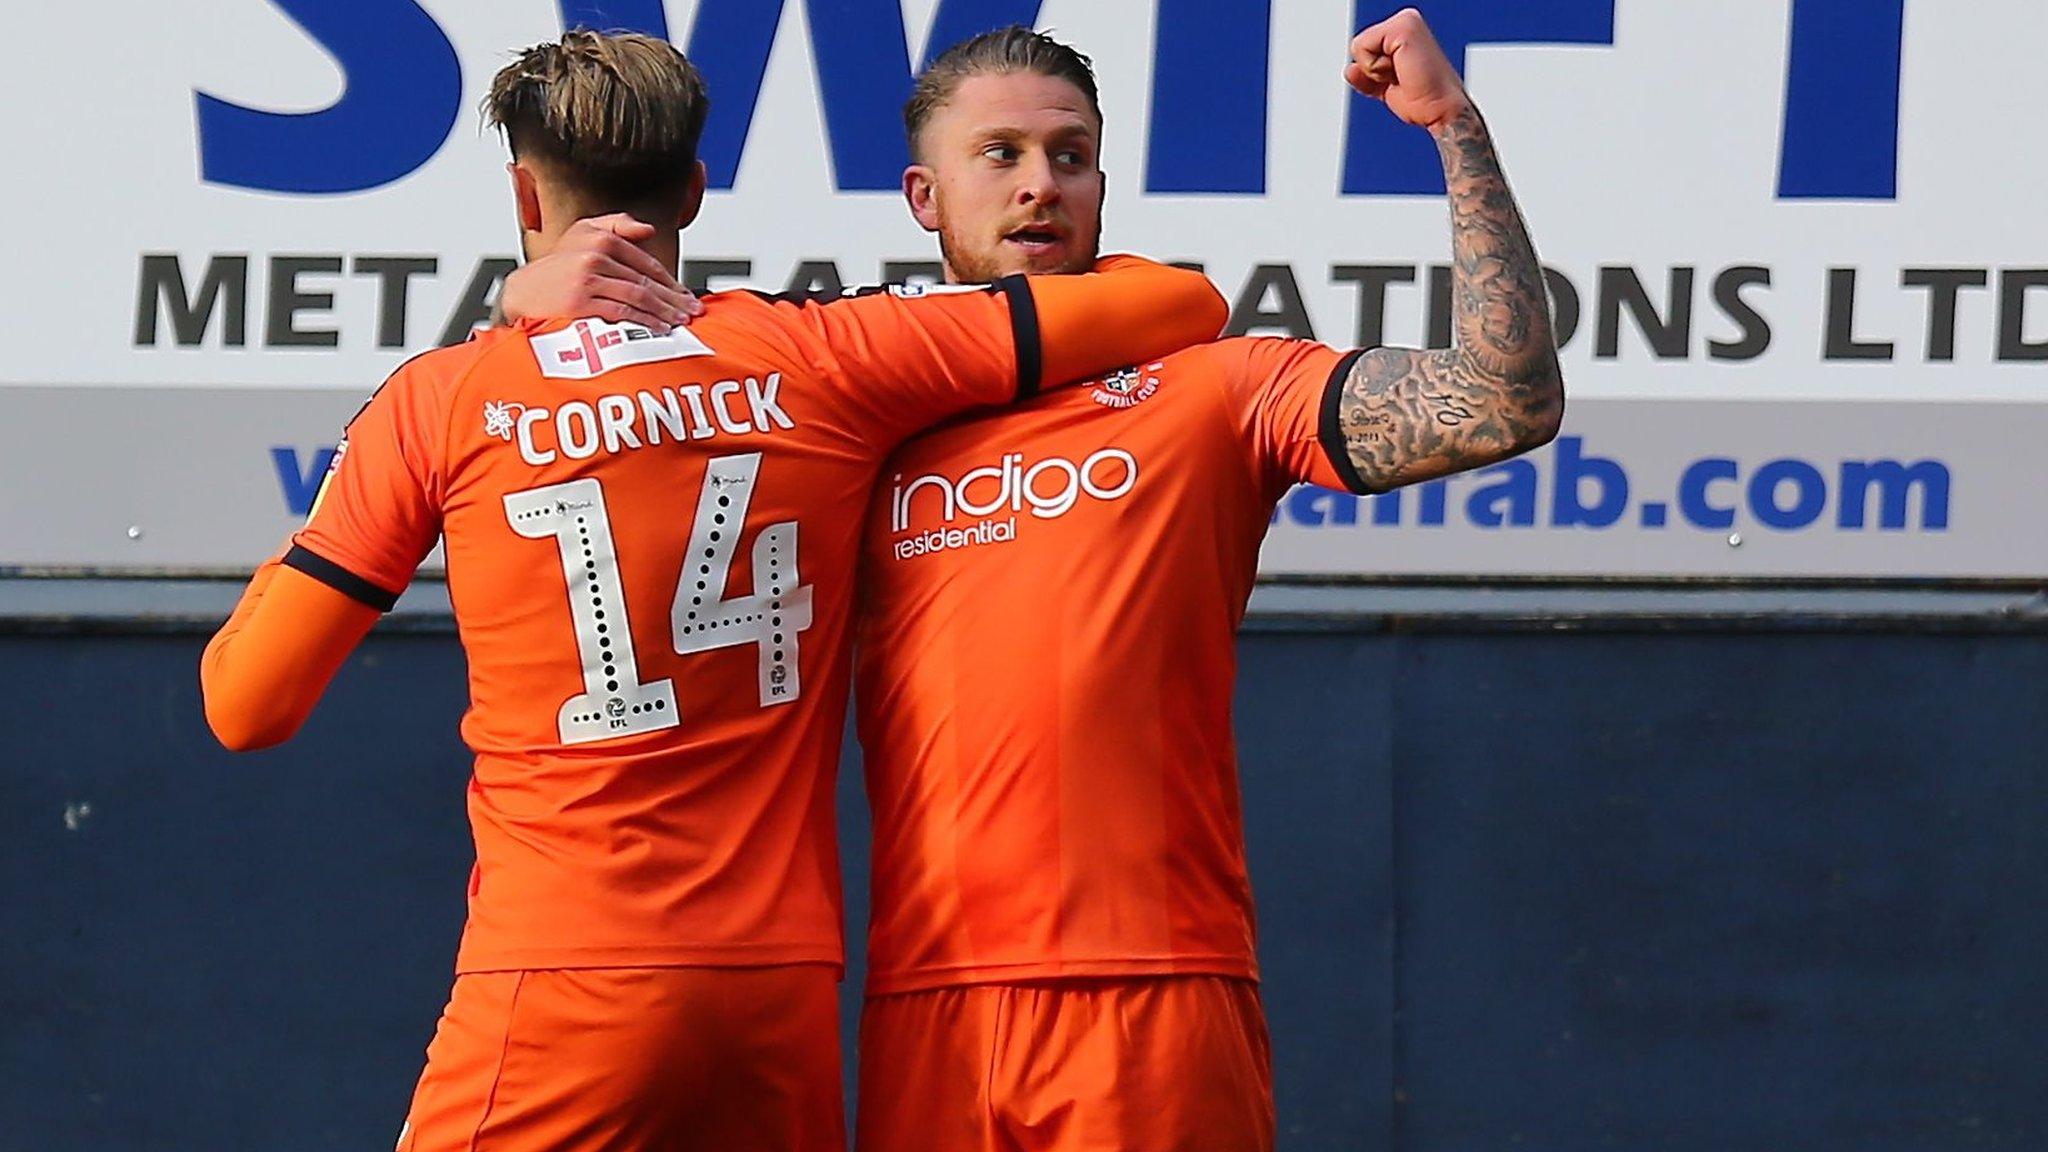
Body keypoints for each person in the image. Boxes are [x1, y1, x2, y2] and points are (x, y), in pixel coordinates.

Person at [507, 10, 1562, 1149]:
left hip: (1151, 990)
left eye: (1068, 155)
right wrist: (530, 298)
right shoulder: (843, 404)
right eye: (999, 155)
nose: (1038, 185)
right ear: (923, 197)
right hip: (924, 1006)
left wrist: (1454, 131)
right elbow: (610, 432)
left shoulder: (1215, 385)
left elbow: (1501, 404)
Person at [198, 30, 1226, 1152]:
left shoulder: (448, 398)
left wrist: (507, 320)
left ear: (521, 194)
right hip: (775, 995)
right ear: (693, 188)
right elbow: (1176, 302)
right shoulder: (827, 358)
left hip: (557, 978)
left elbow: (246, 706)